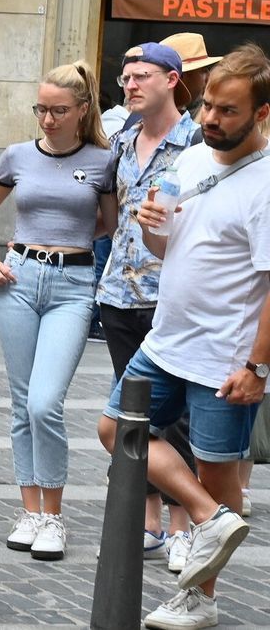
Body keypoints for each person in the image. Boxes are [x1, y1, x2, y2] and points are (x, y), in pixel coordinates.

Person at [98, 43, 270, 630]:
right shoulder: (191, 162)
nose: (213, 121)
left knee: (220, 474)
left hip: (225, 356)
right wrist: (151, 231)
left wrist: (258, 367)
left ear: (262, 115)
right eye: (210, 108)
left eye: (228, 112)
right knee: (114, 428)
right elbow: (169, 250)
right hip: (165, 340)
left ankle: (199, 597)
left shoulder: (266, 186)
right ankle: (204, 514)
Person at [0, 61, 118, 560]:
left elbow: (110, 224)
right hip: (17, 280)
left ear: (82, 110)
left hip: (74, 285)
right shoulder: (16, 156)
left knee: (44, 401)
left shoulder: (102, 161)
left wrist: (68, 243)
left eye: (59, 110)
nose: (48, 119)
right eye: (42, 109)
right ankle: (29, 510)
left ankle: (53, 516)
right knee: (20, 402)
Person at [97, 42, 201, 569]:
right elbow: (108, 216)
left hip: (173, 296)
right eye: (125, 77)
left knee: (176, 417)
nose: (130, 85)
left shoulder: (199, 144)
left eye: (141, 76)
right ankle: (150, 520)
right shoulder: (119, 140)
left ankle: (185, 525)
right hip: (120, 295)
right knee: (134, 413)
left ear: (172, 80)